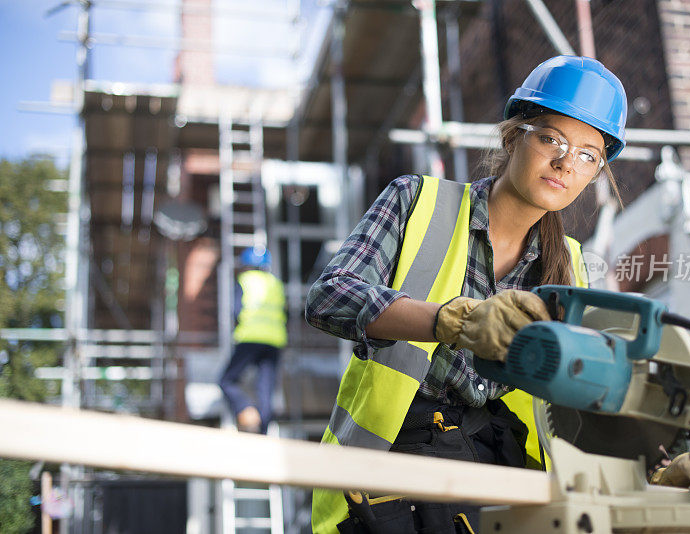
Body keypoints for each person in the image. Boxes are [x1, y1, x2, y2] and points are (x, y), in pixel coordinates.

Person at [306, 55, 627, 533]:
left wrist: (649, 470)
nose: (565, 162)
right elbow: (329, 297)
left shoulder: (574, 268)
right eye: (551, 138)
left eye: (587, 154)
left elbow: (584, 399)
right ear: (514, 134)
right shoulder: (417, 202)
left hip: (502, 476)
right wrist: (447, 322)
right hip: (388, 478)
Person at [218, 246, 287, 434]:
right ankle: (263, 431)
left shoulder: (244, 281)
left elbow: (235, 310)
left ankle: (246, 409)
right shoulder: (275, 283)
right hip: (274, 341)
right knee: (265, 390)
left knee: (227, 381)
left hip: (250, 337)